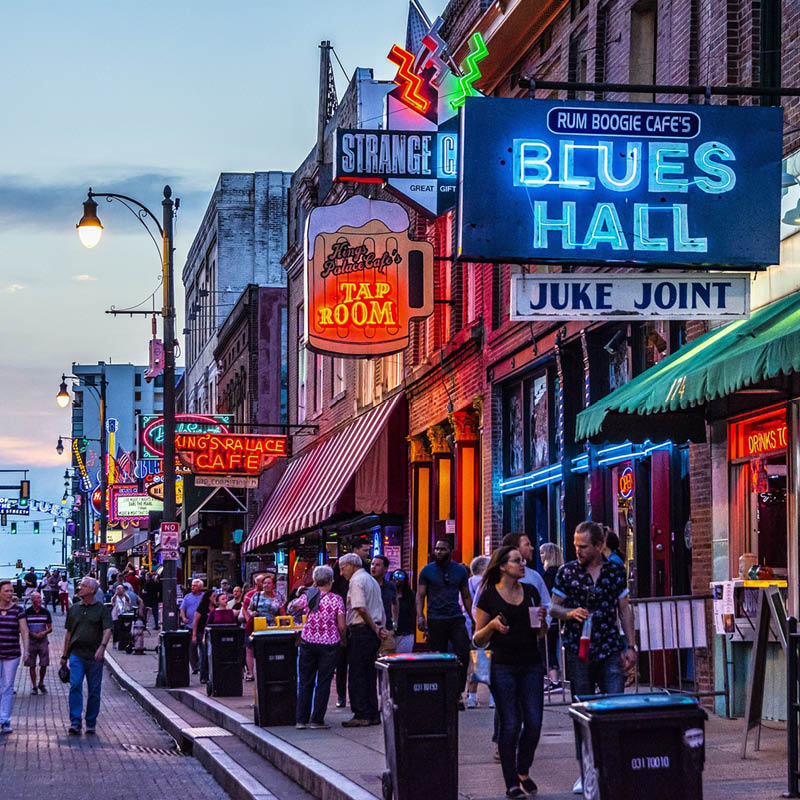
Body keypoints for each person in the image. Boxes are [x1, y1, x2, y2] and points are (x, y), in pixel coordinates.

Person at [550, 521, 636, 795]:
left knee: (615, 708)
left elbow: (624, 608)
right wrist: (569, 613)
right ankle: (586, 771)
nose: (577, 550)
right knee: (583, 711)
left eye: (583, 546)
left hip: (610, 647)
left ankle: (614, 768)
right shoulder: (567, 572)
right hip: (579, 650)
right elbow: (553, 607)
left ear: (599, 546)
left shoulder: (614, 570)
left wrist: (631, 646)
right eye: (575, 545)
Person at [474, 547, 546, 799]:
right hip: (503, 664)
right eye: (517, 560)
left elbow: (539, 633)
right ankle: (511, 783)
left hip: (531, 663)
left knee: (535, 722)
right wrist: (492, 625)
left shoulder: (531, 593)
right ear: (503, 566)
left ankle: (523, 769)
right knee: (511, 723)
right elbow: (478, 638)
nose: (522, 564)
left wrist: (543, 623)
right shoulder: (489, 596)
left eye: (523, 560)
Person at [288, 565, 346, 729]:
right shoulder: (336, 599)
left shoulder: (309, 596)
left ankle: (301, 719)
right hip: (329, 644)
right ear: (331, 580)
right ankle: (317, 720)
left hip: (308, 642)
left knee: (305, 681)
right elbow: (341, 625)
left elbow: (292, 608)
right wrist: (343, 640)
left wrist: (305, 593)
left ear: (315, 580)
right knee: (323, 682)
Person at [416, 540, 472, 707]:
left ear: (450, 551)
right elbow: (420, 595)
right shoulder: (427, 571)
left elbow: (466, 596)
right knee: (438, 656)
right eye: (436, 549)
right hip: (436, 618)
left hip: (455, 617)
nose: (438, 552)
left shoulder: (460, 571)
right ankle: (441, 693)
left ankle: (458, 692)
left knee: (463, 652)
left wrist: (474, 618)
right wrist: (420, 616)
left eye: (442, 549)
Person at [339, 552, 386, 727]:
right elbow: (379, 607)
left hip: (362, 630)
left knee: (358, 674)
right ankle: (373, 713)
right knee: (369, 673)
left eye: (343, 569)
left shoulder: (356, 581)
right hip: (372, 631)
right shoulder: (371, 580)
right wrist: (380, 628)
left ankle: (362, 713)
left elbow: (360, 607)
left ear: (351, 565)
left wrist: (374, 628)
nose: (342, 573)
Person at [62, 577, 112, 735]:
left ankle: (90, 722)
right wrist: (64, 656)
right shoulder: (74, 609)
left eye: (83, 586)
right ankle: (75, 722)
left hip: (94, 656)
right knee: (75, 685)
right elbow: (69, 633)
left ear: (91, 590)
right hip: (77, 654)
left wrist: (102, 648)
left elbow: (107, 630)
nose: (79, 588)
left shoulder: (101, 609)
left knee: (94, 690)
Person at [0, 579, 29, 733]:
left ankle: (5, 719)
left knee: (7, 686)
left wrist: (27, 650)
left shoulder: (18, 610)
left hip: (11, 654)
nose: (10, 594)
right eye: (6, 591)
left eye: (11, 591)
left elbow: (24, 631)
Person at [466, 555, 492, 709]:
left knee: (476, 661)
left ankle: (471, 697)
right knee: (492, 661)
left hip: (473, 627)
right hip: (489, 626)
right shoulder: (488, 582)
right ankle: (493, 698)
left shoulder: (469, 583)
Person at [539, 543, 564, 691]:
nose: (540, 557)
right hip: (559, 615)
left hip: (552, 617)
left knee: (546, 646)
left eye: (542, 553)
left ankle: (554, 680)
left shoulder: (549, 575)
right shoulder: (562, 572)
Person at [24, 591, 53, 694]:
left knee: (44, 663)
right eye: (37, 598)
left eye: (40, 598)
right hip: (31, 641)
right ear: (32, 601)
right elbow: (24, 628)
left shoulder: (45, 612)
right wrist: (32, 634)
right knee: (32, 664)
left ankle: (41, 682)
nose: (40, 600)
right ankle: (34, 686)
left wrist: (44, 632)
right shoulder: (27, 612)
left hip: (43, 641)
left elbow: (50, 628)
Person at [371, 555, 398, 655]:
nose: (373, 567)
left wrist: (395, 622)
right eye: (372, 564)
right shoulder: (367, 584)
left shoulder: (390, 586)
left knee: (387, 661)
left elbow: (395, 603)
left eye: (377, 565)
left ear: (385, 569)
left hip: (387, 629)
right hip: (371, 630)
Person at [241, 573, 266, 681]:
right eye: (263, 581)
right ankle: (251, 673)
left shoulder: (274, 594)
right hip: (253, 625)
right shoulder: (251, 594)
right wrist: (249, 621)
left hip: (267, 626)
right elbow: (245, 609)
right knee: (249, 649)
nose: (265, 584)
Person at [180, 579, 205, 674]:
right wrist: (183, 617)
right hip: (190, 626)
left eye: (195, 585)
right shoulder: (187, 597)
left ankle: (202, 665)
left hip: (201, 626)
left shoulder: (203, 597)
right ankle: (195, 667)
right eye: (192, 585)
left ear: (200, 587)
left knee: (203, 647)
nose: (192, 587)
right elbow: (182, 608)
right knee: (192, 648)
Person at [192, 589, 215, 683]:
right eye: (213, 596)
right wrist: (194, 635)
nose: (215, 598)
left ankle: (211, 674)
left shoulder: (216, 607)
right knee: (204, 654)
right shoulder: (202, 608)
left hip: (212, 633)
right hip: (202, 633)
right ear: (209, 598)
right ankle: (203, 676)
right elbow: (195, 621)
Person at [391, 570, 416, 654]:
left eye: (400, 576)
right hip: (390, 633)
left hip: (406, 633)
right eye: (395, 575)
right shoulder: (387, 594)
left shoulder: (411, 596)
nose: (397, 578)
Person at [110, 584, 132, 649]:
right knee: (116, 629)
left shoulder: (126, 596)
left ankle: (122, 642)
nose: (119, 590)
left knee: (123, 629)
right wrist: (116, 594)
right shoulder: (115, 597)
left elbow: (128, 601)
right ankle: (115, 642)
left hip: (124, 614)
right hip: (116, 615)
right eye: (118, 589)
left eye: (121, 589)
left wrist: (124, 594)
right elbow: (113, 603)